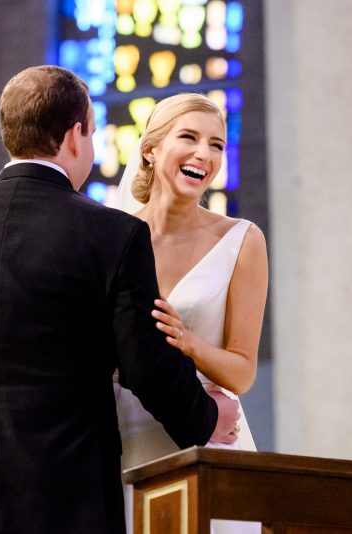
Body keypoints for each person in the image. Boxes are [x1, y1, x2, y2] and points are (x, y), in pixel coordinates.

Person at [0, 66, 240, 533]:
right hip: (66, 491)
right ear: (75, 135)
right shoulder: (112, 234)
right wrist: (207, 418)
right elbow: (145, 363)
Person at [113, 93, 269, 534]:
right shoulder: (112, 235)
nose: (205, 153)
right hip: (124, 437)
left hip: (209, 435)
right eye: (190, 137)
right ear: (151, 149)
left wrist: (190, 343)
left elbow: (241, 373)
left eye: (217, 144)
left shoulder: (242, 240)